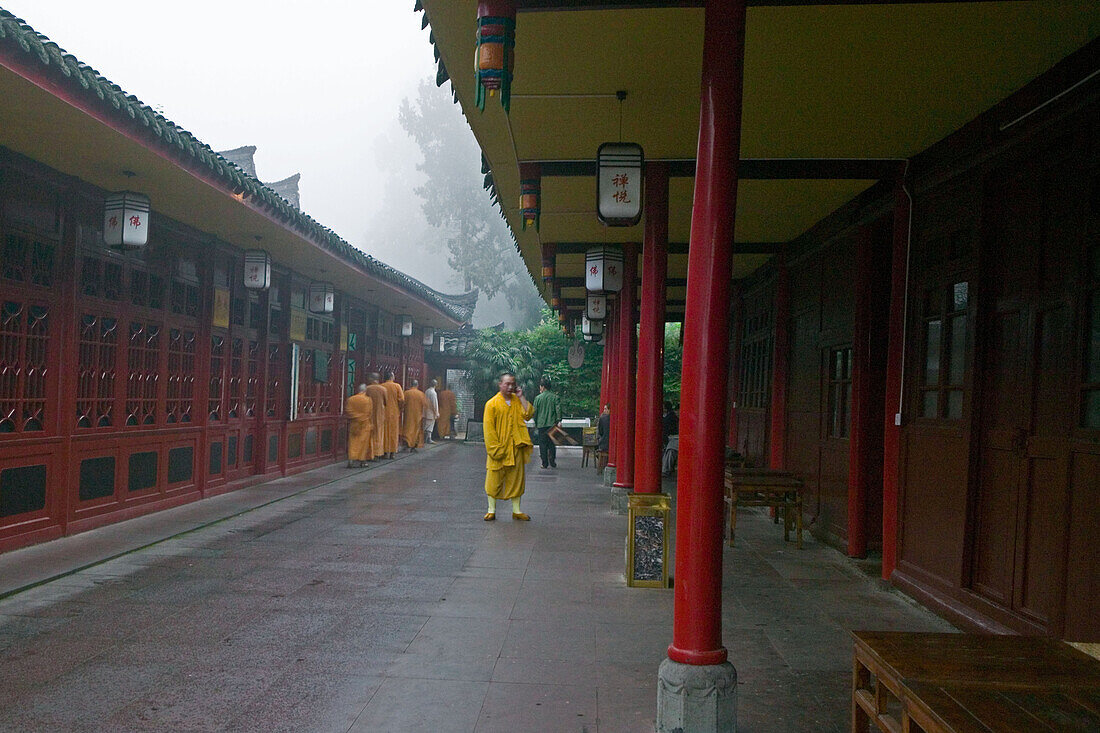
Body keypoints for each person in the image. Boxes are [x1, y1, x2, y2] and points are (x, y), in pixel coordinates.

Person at [483, 372, 535, 521]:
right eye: (507, 384)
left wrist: (521, 396)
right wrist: (495, 449)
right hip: (499, 448)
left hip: (516, 447)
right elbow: (489, 430)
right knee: (493, 479)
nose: (510, 387)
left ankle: (517, 510)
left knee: (516, 479)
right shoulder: (491, 404)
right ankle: (491, 510)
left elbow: (528, 414)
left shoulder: (517, 401)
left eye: (513, 384)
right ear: (500, 384)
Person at [532, 376, 562, 469]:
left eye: (540, 386)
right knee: (552, 443)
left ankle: (544, 463)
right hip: (552, 424)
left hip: (541, 425)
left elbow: (534, 412)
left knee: (543, 444)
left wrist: (536, 422)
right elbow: (558, 410)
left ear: (543, 387)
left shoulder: (538, 398)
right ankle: (552, 461)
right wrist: (558, 420)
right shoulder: (555, 397)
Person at [344, 384, 373, 468]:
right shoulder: (368, 400)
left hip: (354, 423)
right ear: (365, 391)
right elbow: (370, 413)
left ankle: (351, 459)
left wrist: (356, 416)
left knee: (353, 442)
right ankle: (362, 461)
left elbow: (348, 411)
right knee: (363, 443)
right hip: (365, 424)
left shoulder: (351, 399)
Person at [381, 371, 404, 459]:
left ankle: (385, 451)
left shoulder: (382, 386)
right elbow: (401, 399)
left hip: (384, 413)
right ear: (391, 377)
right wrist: (400, 408)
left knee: (385, 432)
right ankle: (392, 452)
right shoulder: (397, 386)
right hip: (394, 413)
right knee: (393, 433)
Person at [364, 374, 388, 460]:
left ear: (372, 379)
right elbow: (386, 402)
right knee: (379, 434)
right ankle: (378, 453)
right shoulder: (383, 389)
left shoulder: (367, 389)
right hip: (380, 415)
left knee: (369, 434)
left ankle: (370, 453)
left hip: (369, 415)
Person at [402, 379, 428, 452]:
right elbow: (425, 405)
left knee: (407, 429)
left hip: (408, 415)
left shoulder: (406, 393)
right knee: (416, 430)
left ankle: (407, 444)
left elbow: (402, 403)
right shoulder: (421, 394)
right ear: (417, 385)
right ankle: (413, 445)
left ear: (411, 385)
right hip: (417, 415)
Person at [424, 378, 440, 445]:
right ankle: (428, 438)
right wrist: (436, 412)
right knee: (429, 426)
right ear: (435, 385)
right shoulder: (433, 393)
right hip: (431, 411)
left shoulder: (427, 391)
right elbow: (434, 403)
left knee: (426, 425)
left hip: (426, 410)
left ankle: (427, 438)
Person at [596, 403, 611, 473]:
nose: (604, 411)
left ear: (609, 410)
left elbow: (600, 432)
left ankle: (601, 466)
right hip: (612, 445)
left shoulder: (602, 418)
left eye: (605, 409)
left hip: (604, 444)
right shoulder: (614, 419)